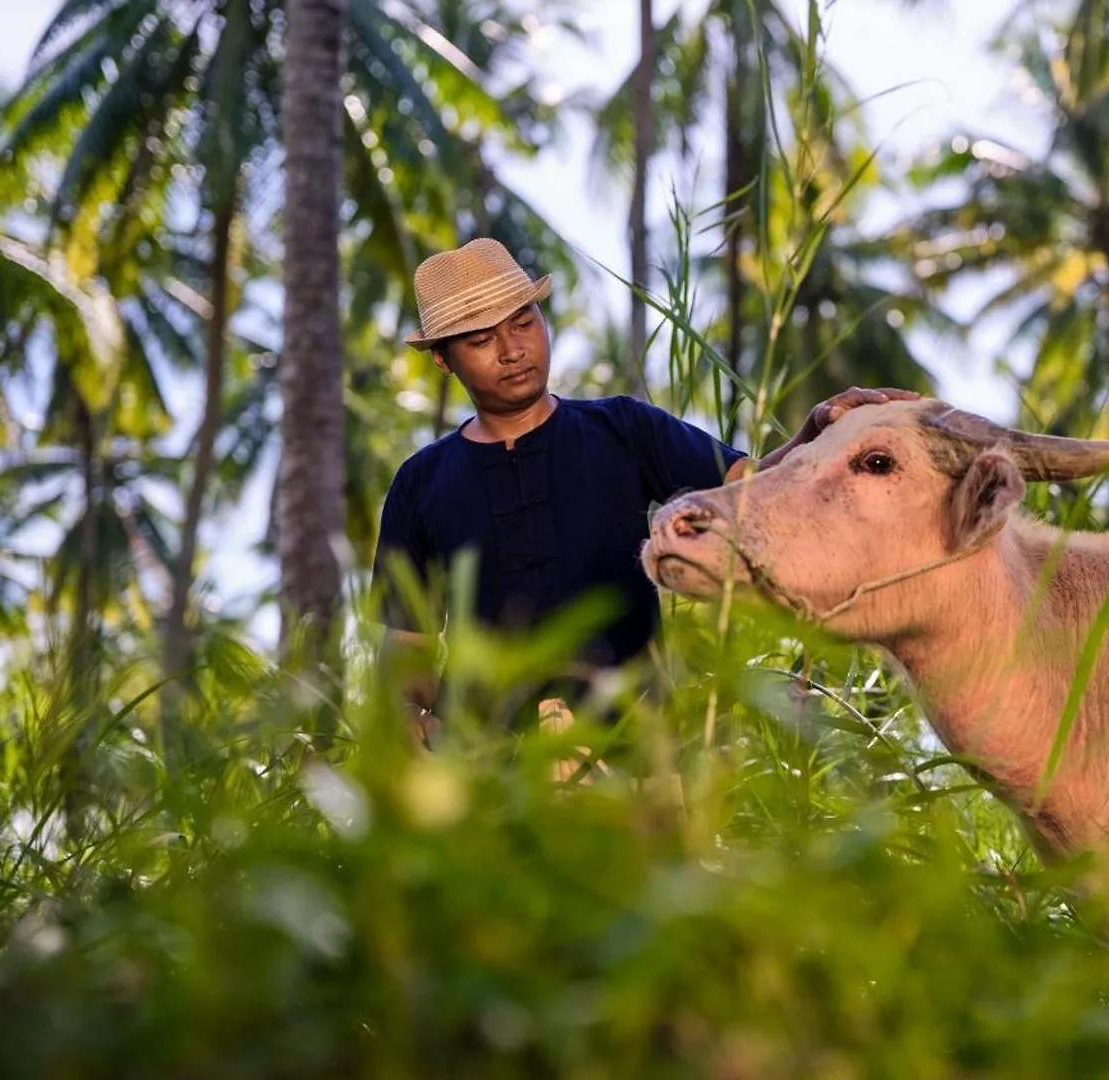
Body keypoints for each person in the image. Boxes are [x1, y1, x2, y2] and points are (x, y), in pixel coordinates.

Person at [371, 237, 915, 751]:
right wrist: (410, 726)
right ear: (444, 359)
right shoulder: (420, 483)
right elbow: (406, 654)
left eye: (523, 323)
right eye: (481, 340)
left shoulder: (624, 429)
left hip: (637, 755)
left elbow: (753, 492)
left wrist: (816, 433)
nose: (512, 351)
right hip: (485, 772)